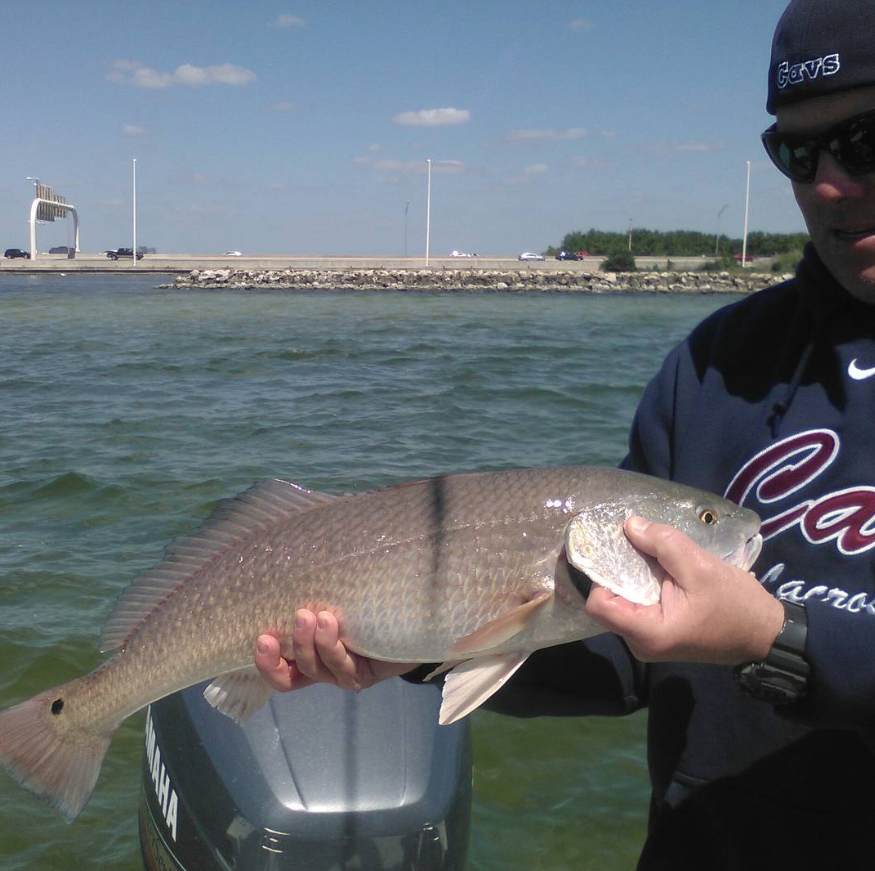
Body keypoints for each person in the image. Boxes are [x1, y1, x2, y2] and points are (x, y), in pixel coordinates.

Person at [254, 1, 875, 866]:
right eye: (795, 154)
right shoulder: (712, 365)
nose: (828, 186)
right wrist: (417, 647)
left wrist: (776, 638)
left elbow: (755, 635)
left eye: (862, 141)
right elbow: (627, 659)